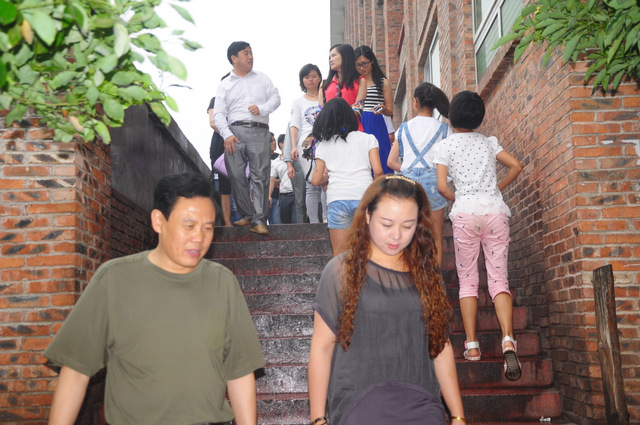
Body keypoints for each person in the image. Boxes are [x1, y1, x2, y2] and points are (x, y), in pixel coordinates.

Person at [44, 173, 265, 425]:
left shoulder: (222, 283)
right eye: (189, 226)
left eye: (208, 228)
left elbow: (239, 372)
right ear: (158, 221)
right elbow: (75, 371)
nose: (199, 237)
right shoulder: (115, 279)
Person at [308, 175, 466, 425]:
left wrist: (457, 415)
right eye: (387, 224)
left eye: (408, 226)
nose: (396, 235)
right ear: (367, 216)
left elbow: (440, 346)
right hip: (360, 406)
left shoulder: (427, 274)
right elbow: (322, 348)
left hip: (422, 406)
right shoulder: (341, 271)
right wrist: (318, 419)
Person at [434, 91, 523, 381]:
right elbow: (516, 166)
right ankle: (508, 340)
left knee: (468, 281)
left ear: (452, 116)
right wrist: (496, 189)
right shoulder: (489, 142)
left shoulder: (445, 146)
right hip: (495, 211)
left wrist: (460, 197)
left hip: (465, 214)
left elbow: (442, 187)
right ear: (479, 117)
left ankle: (472, 345)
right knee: (499, 280)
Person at [214, 41, 281, 236]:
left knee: (260, 176)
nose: (251, 57)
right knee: (235, 175)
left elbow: (276, 99)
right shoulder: (224, 84)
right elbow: (218, 114)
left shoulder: (262, 78)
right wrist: (227, 134)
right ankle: (247, 214)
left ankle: (259, 220)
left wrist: (262, 109)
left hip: (260, 131)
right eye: (246, 53)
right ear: (234, 58)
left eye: (251, 53)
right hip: (234, 134)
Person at [387, 82, 451, 266]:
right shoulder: (444, 129)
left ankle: (410, 277)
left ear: (415, 102)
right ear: (435, 105)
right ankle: (435, 279)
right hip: (435, 184)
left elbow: (390, 162)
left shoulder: (403, 129)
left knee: (408, 236)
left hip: (408, 185)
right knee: (436, 237)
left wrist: (408, 169)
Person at [311, 98, 383, 256]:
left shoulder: (323, 145)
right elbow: (378, 171)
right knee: (369, 253)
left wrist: (329, 176)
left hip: (337, 199)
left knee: (340, 255)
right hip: (364, 197)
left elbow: (315, 180)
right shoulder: (368, 139)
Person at [288, 63, 327, 223]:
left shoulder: (326, 97)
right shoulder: (298, 102)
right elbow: (294, 124)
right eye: (306, 77)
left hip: (326, 142)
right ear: (302, 80)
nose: (310, 79)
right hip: (306, 144)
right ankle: (314, 222)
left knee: (326, 180)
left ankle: (326, 218)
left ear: (320, 78)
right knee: (311, 185)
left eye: (314, 76)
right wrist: (293, 146)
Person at [354, 45, 394, 174]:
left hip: (376, 122)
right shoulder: (354, 83)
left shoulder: (383, 82)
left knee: (380, 157)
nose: (362, 68)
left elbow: (390, 110)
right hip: (358, 122)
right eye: (358, 65)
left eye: (364, 63)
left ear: (372, 61)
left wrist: (383, 109)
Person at [321, 44, 365, 129]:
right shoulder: (325, 83)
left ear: (345, 56)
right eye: (330, 57)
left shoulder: (360, 81)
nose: (330, 60)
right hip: (330, 130)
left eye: (333, 55)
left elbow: (358, 107)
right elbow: (319, 109)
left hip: (352, 129)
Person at [208, 96, 233, 226]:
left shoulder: (242, 100)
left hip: (239, 144)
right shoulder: (216, 100)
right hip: (220, 145)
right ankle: (227, 222)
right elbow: (213, 123)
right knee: (224, 185)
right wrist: (228, 136)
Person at [271, 134, 296, 223]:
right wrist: (269, 195)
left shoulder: (296, 157)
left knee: (296, 223)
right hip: (283, 196)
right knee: (285, 225)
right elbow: (272, 179)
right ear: (281, 144)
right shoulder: (275, 162)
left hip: (297, 195)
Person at [268, 133, 282, 225]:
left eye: (274, 140)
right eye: (271, 141)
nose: (274, 143)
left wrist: (274, 181)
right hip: (262, 198)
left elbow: (283, 177)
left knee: (277, 223)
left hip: (276, 197)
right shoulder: (259, 159)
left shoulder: (279, 157)